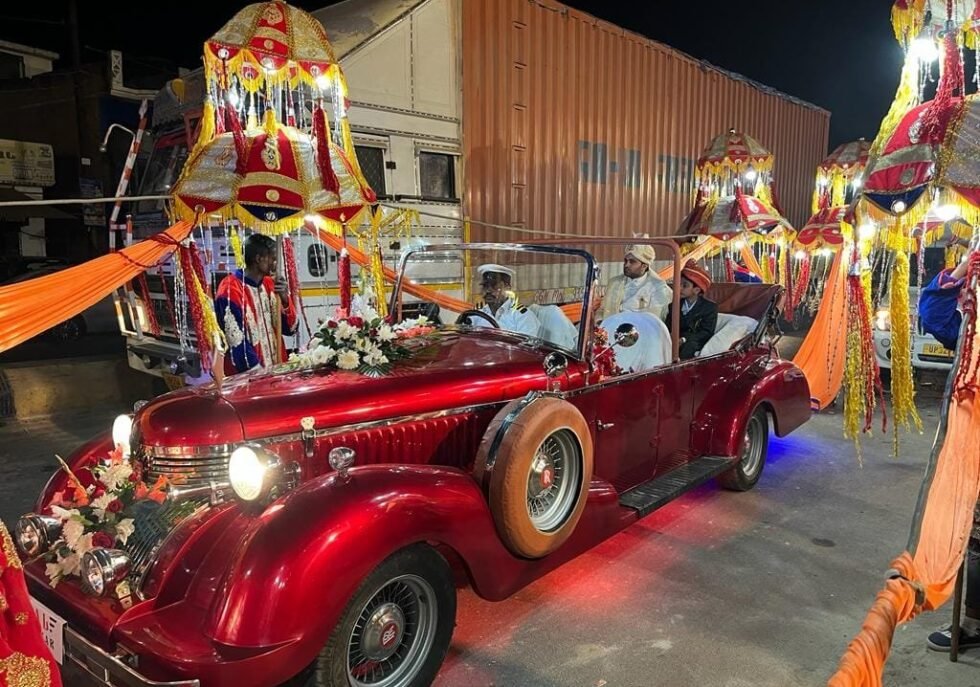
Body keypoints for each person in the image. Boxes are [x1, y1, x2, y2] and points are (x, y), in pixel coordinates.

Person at [918, 240, 980, 651]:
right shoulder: (971, 330)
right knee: (975, 535)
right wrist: (961, 271)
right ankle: (974, 626)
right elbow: (934, 313)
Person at [215, 234, 298, 375]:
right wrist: (260, 376)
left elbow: (290, 329)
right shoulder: (230, 289)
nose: (275, 263)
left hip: (278, 369)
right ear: (259, 259)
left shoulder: (270, 284)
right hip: (250, 376)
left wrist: (285, 299)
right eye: (273, 258)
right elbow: (237, 342)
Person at [598, 244, 672, 321]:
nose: (626, 265)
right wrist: (599, 322)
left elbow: (655, 320)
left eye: (632, 262)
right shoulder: (614, 283)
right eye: (626, 261)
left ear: (644, 266)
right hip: (610, 328)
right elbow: (602, 310)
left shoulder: (657, 287)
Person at [665, 259, 718, 360]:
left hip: (693, 342)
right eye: (679, 284)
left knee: (689, 346)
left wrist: (684, 339)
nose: (679, 288)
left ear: (697, 290)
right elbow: (668, 326)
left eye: (684, 285)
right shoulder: (673, 306)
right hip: (674, 341)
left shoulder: (709, 308)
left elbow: (706, 332)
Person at [471, 264, 541, 338]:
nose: (488, 290)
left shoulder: (522, 317)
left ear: (507, 287)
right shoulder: (477, 314)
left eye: (494, 285)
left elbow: (526, 348)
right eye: (485, 286)